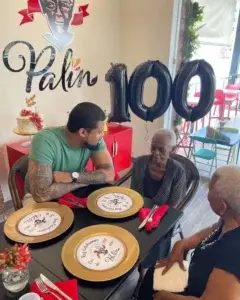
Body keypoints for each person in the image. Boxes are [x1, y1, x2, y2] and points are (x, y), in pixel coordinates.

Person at [138, 165, 240, 300]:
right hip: (194, 277)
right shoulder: (231, 217)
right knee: (153, 272)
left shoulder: (233, 252)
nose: (207, 194)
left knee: (153, 284)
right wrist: (182, 244)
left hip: (197, 293)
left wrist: (167, 297)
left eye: (209, 190)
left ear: (222, 206)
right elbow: (212, 230)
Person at [25, 102, 114, 203]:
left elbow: (109, 175)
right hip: (36, 200)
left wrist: (72, 177)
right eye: (99, 132)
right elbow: (41, 195)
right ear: (83, 132)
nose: (102, 135)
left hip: (69, 192)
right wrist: (86, 180)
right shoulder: (44, 140)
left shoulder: (94, 140)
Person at [131, 129, 186, 207]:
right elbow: (132, 192)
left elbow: (173, 207)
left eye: (161, 150)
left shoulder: (178, 172)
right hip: (138, 208)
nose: (156, 153)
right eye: (153, 148)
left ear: (173, 150)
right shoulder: (139, 163)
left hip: (162, 215)